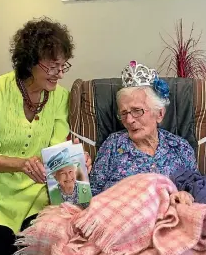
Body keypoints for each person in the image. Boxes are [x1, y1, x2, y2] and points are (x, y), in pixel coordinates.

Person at [0, 17, 91, 255]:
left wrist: (75, 160)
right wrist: (21, 164)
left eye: (63, 66)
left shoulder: (60, 96)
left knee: (40, 254)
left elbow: (56, 150)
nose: (59, 74)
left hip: (38, 195)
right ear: (30, 60)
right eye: (52, 66)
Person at [64, 60, 196, 206]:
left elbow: (197, 191)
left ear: (159, 114)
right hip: (117, 219)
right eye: (124, 113)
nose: (129, 120)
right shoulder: (113, 144)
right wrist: (75, 172)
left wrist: (186, 196)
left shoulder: (179, 147)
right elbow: (90, 197)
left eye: (137, 111)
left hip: (168, 220)